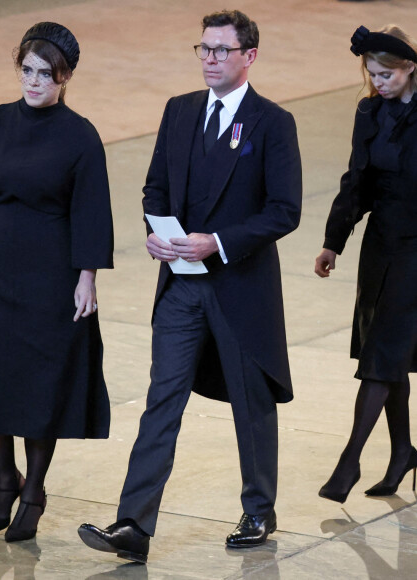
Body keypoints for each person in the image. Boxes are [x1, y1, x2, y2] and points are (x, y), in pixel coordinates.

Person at [78, 9, 302, 561]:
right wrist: (156, 233)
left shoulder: (273, 122)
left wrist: (217, 242)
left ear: (249, 56)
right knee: (162, 400)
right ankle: (134, 524)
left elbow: (284, 210)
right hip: (180, 284)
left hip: (241, 289)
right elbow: (155, 188)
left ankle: (258, 510)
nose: (210, 59)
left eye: (221, 50)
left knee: (251, 405)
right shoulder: (178, 112)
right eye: (203, 49)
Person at [0, 22, 114, 542]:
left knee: (42, 389)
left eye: (45, 74)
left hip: (52, 277)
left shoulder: (81, 136)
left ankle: (33, 492)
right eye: (27, 71)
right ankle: (4, 481)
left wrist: (87, 278)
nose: (33, 82)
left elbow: (91, 212)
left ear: (64, 78)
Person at [316, 24, 417, 503]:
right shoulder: (369, 111)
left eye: (387, 75)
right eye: (372, 74)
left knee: (382, 354)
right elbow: (356, 180)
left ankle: (349, 461)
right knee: (388, 352)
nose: (379, 82)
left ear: (410, 68)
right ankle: (402, 452)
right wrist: (333, 240)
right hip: (380, 246)